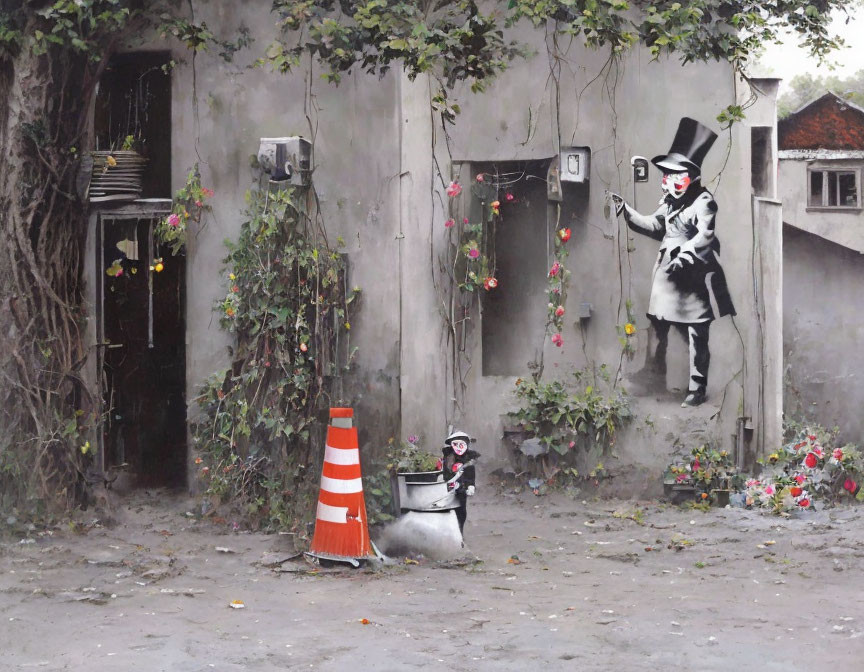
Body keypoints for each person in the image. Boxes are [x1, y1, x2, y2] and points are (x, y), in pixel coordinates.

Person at [610, 117, 735, 407]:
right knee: (657, 326)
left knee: (697, 333)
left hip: (692, 279)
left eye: (673, 174)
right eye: (665, 174)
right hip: (666, 279)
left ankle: (697, 386)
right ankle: (653, 374)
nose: (666, 179)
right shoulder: (669, 202)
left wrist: (685, 254)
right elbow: (655, 226)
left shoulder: (704, 202)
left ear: (691, 175)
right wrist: (626, 211)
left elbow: (704, 236)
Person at [438, 429, 479, 536]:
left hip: (462, 490)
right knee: (445, 511)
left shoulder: (469, 460)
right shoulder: (448, 457)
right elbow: (444, 473)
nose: (459, 447)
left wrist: (471, 486)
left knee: (461, 511)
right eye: (456, 444)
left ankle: (459, 533)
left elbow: (471, 475)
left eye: (462, 444)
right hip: (447, 489)